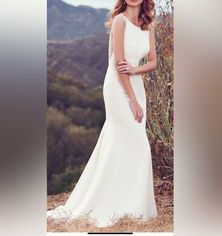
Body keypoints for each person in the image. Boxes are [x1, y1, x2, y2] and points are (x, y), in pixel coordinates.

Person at [47, 0, 158, 228]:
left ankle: (130, 203)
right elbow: (118, 64)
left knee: (125, 142)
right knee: (138, 143)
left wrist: (136, 70)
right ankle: (119, 202)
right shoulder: (119, 21)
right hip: (119, 88)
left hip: (136, 84)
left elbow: (154, 62)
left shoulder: (149, 25)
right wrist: (132, 100)